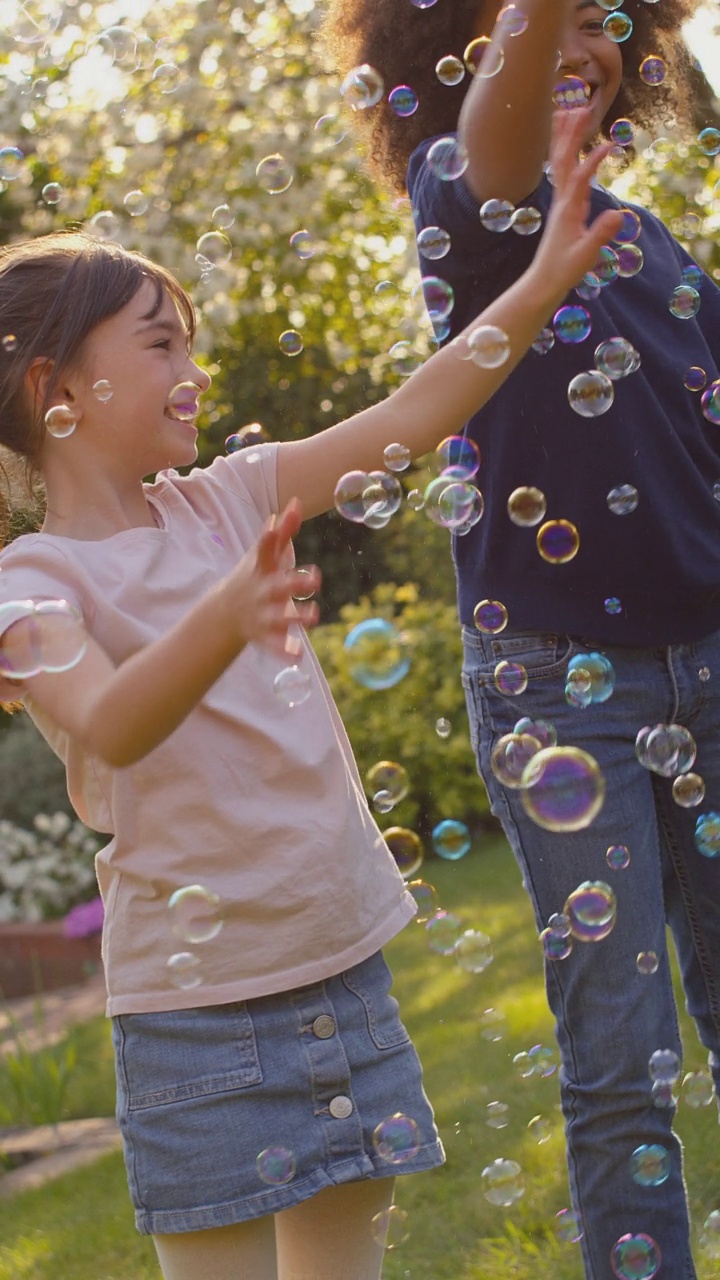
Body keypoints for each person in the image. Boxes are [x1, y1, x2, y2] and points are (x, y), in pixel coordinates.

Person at [0, 110, 618, 1280]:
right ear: (56, 387)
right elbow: (111, 720)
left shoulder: (228, 499)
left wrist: (539, 283)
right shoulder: (33, 582)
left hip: (338, 958)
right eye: (160, 346)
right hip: (197, 1017)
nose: (194, 372)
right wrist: (224, 616)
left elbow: (409, 418)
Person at [321, 1, 720, 1277]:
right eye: (532, 19)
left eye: (607, 17)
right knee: (620, 1055)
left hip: (708, 662)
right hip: (559, 676)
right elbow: (499, 150)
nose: (573, 40)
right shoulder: (466, 203)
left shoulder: (656, 247)